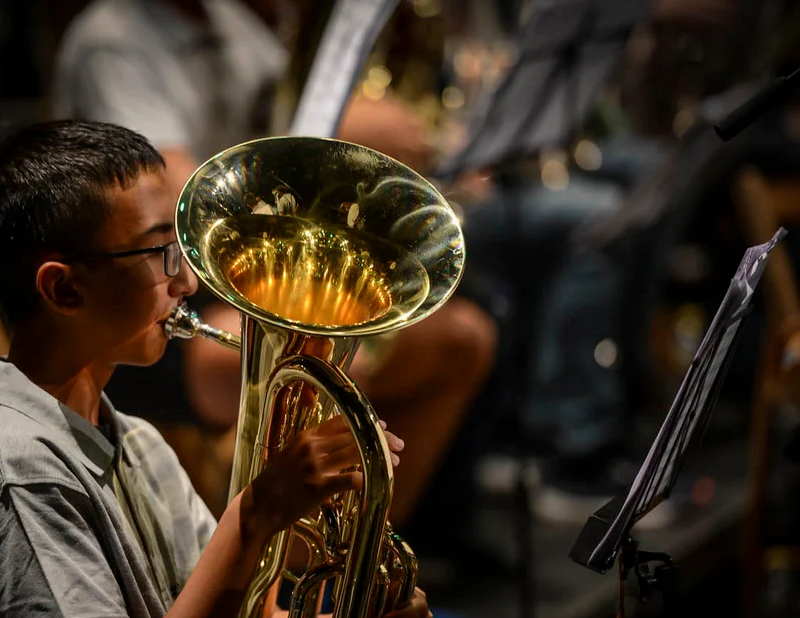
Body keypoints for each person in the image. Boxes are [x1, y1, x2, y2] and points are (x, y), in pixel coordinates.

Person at [0, 120, 433, 618]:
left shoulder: (138, 442)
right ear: (64, 289)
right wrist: (254, 516)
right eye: (159, 253)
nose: (186, 281)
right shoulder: (16, 468)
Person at [54, 0, 497, 538]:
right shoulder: (112, 40)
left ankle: (355, 556)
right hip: (153, 305)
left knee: (464, 338)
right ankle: (274, 562)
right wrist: (344, 133)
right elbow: (175, 191)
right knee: (331, 367)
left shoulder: (231, 22)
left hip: (243, 281)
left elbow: (289, 129)